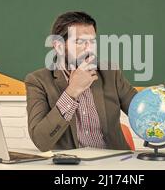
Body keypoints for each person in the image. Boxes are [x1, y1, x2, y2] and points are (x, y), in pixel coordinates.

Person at [25, 11, 137, 152]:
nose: (89, 48)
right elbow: (41, 141)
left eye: (92, 42)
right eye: (79, 42)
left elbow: (141, 111)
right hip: (71, 168)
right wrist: (72, 91)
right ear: (58, 46)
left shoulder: (110, 74)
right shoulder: (38, 81)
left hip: (113, 164)